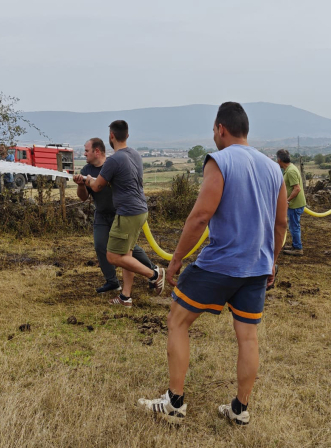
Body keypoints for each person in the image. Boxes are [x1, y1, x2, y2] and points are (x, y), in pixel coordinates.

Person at [136, 102, 288, 426]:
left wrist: (176, 260)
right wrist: (271, 262)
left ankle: (175, 403)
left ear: (221, 129)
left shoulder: (219, 161)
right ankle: (240, 409)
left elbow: (201, 216)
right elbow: (281, 225)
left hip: (219, 264)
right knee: (247, 338)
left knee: (177, 321)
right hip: (257, 267)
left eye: (213, 131)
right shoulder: (274, 169)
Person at [84, 120, 166, 306]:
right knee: (126, 255)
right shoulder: (135, 154)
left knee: (113, 256)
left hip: (127, 212)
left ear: (111, 136)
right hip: (140, 210)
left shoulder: (113, 159)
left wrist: (88, 180)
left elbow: (97, 186)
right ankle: (125, 297)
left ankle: (154, 274)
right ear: (127, 135)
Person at [74, 138, 158, 294]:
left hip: (120, 214)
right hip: (101, 214)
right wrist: (81, 185)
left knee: (129, 249)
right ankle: (112, 281)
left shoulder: (113, 165)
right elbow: (83, 197)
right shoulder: (86, 170)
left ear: (96, 151)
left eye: (86, 151)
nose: (84, 154)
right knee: (100, 246)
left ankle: (153, 270)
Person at [275, 149, 306, 256]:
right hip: (294, 203)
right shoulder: (290, 169)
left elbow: (297, 189)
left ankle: (298, 248)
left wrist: (286, 200)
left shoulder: (291, 171)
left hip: (295, 204)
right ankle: (295, 245)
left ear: (279, 160)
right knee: (293, 225)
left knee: (294, 226)